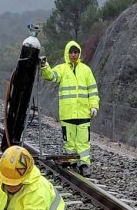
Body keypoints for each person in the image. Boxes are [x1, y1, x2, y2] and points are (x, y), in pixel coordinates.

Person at [40, 40, 100, 176]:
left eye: (76, 52)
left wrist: (94, 106)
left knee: (83, 142)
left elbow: (93, 90)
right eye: (71, 52)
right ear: (67, 53)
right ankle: (72, 163)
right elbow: (51, 76)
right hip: (68, 114)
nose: (73, 54)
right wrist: (44, 66)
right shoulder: (62, 69)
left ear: (79, 53)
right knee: (70, 142)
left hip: (84, 113)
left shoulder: (86, 70)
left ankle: (84, 165)